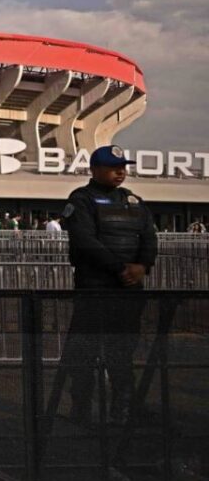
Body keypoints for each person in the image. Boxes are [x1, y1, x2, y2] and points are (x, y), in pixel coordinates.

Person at [60, 145, 157, 426]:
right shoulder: (81, 200)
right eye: (113, 167)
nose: (121, 171)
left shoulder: (133, 201)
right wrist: (119, 268)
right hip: (95, 287)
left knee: (122, 351)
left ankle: (124, 408)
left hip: (128, 291)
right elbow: (85, 240)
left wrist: (142, 266)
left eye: (123, 167)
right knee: (84, 351)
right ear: (94, 169)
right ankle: (81, 409)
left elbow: (149, 237)